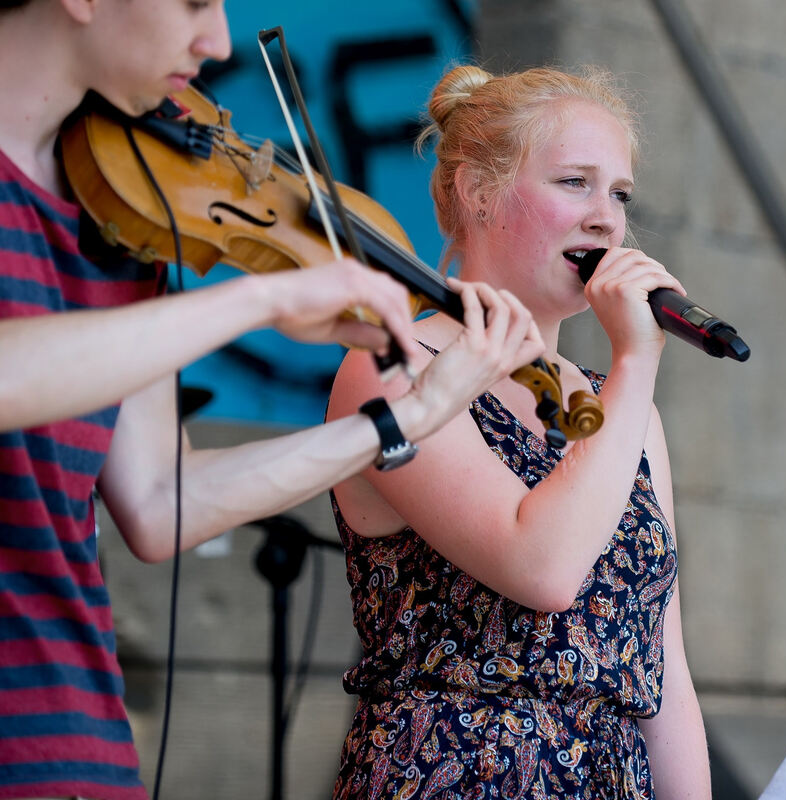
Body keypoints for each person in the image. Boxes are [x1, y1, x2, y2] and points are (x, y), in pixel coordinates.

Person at [0, 3, 545, 799]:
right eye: (194, 1)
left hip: (71, 745)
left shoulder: (117, 208)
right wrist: (258, 302)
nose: (217, 40)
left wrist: (402, 421)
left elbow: (161, 502)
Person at [326, 63, 713, 799]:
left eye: (620, 193)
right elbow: (541, 568)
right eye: (575, 183)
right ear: (478, 191)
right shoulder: (393, 366)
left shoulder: (625, 405)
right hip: (456, 773)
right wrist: (637, 359)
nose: (607, 217)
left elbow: (665, 671)